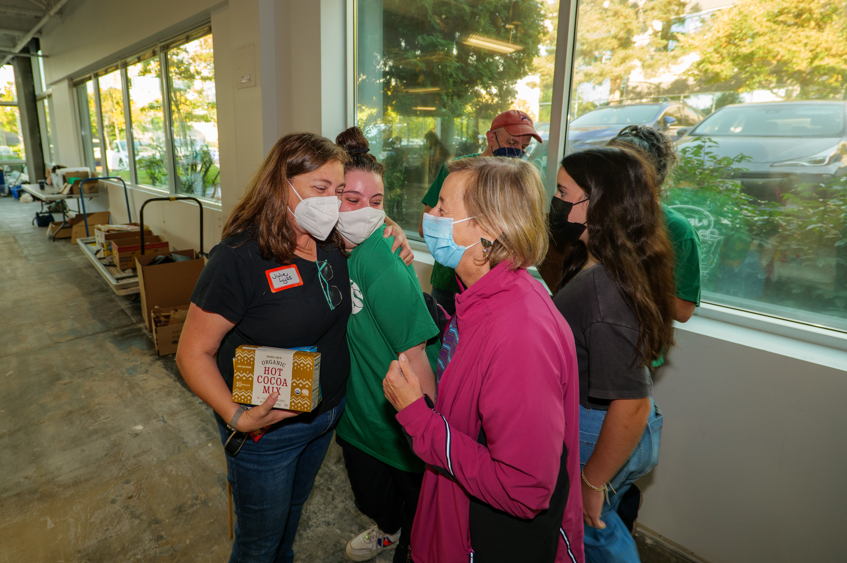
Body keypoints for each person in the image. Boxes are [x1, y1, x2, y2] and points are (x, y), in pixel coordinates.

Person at [175, 132, 412, 563]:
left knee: (291, 516)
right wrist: (237, 418)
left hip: (324, 418)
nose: (330, 202)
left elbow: (370, 216)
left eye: (337, 192)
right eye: (319, 189)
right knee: (258, 541)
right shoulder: (239, 257)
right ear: (279, 184)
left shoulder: (331, 241)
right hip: (266, 433)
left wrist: (392, 229)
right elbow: (191, 353)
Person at [384, 156, 585, 563]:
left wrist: (416, 417)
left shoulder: (521, 334)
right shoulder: (484, 295)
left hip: (483, 539)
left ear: (488, 230)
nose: (431, 217)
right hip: (454, 513)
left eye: (443, 208)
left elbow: (523, 488)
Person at [551, 147, 676, 563]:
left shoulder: (606, 294)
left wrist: (593, 482)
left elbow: (633, 404)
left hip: (599, 429)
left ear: (598, 204)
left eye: (563, 192)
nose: (556, 202)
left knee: (593, 532)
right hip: (601, 422)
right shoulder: (600, 257)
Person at [331, 127, 441, 563]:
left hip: (399, 425)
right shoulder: (329, 248)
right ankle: (387, 530)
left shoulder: (383, 260)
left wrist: (432, 438)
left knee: (420, 520)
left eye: (376, 203)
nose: (365, 213)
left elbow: (418, 359)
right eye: (351, 200)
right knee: (373, 502)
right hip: (356, 417)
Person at [418, 110, 542, 315]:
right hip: (448, 286)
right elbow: (426, 226)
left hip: (495, 287)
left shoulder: (518, 182)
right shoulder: (458, 172)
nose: (518, 152)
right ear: (491, 138)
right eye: (512, 143)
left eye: (524, 147)